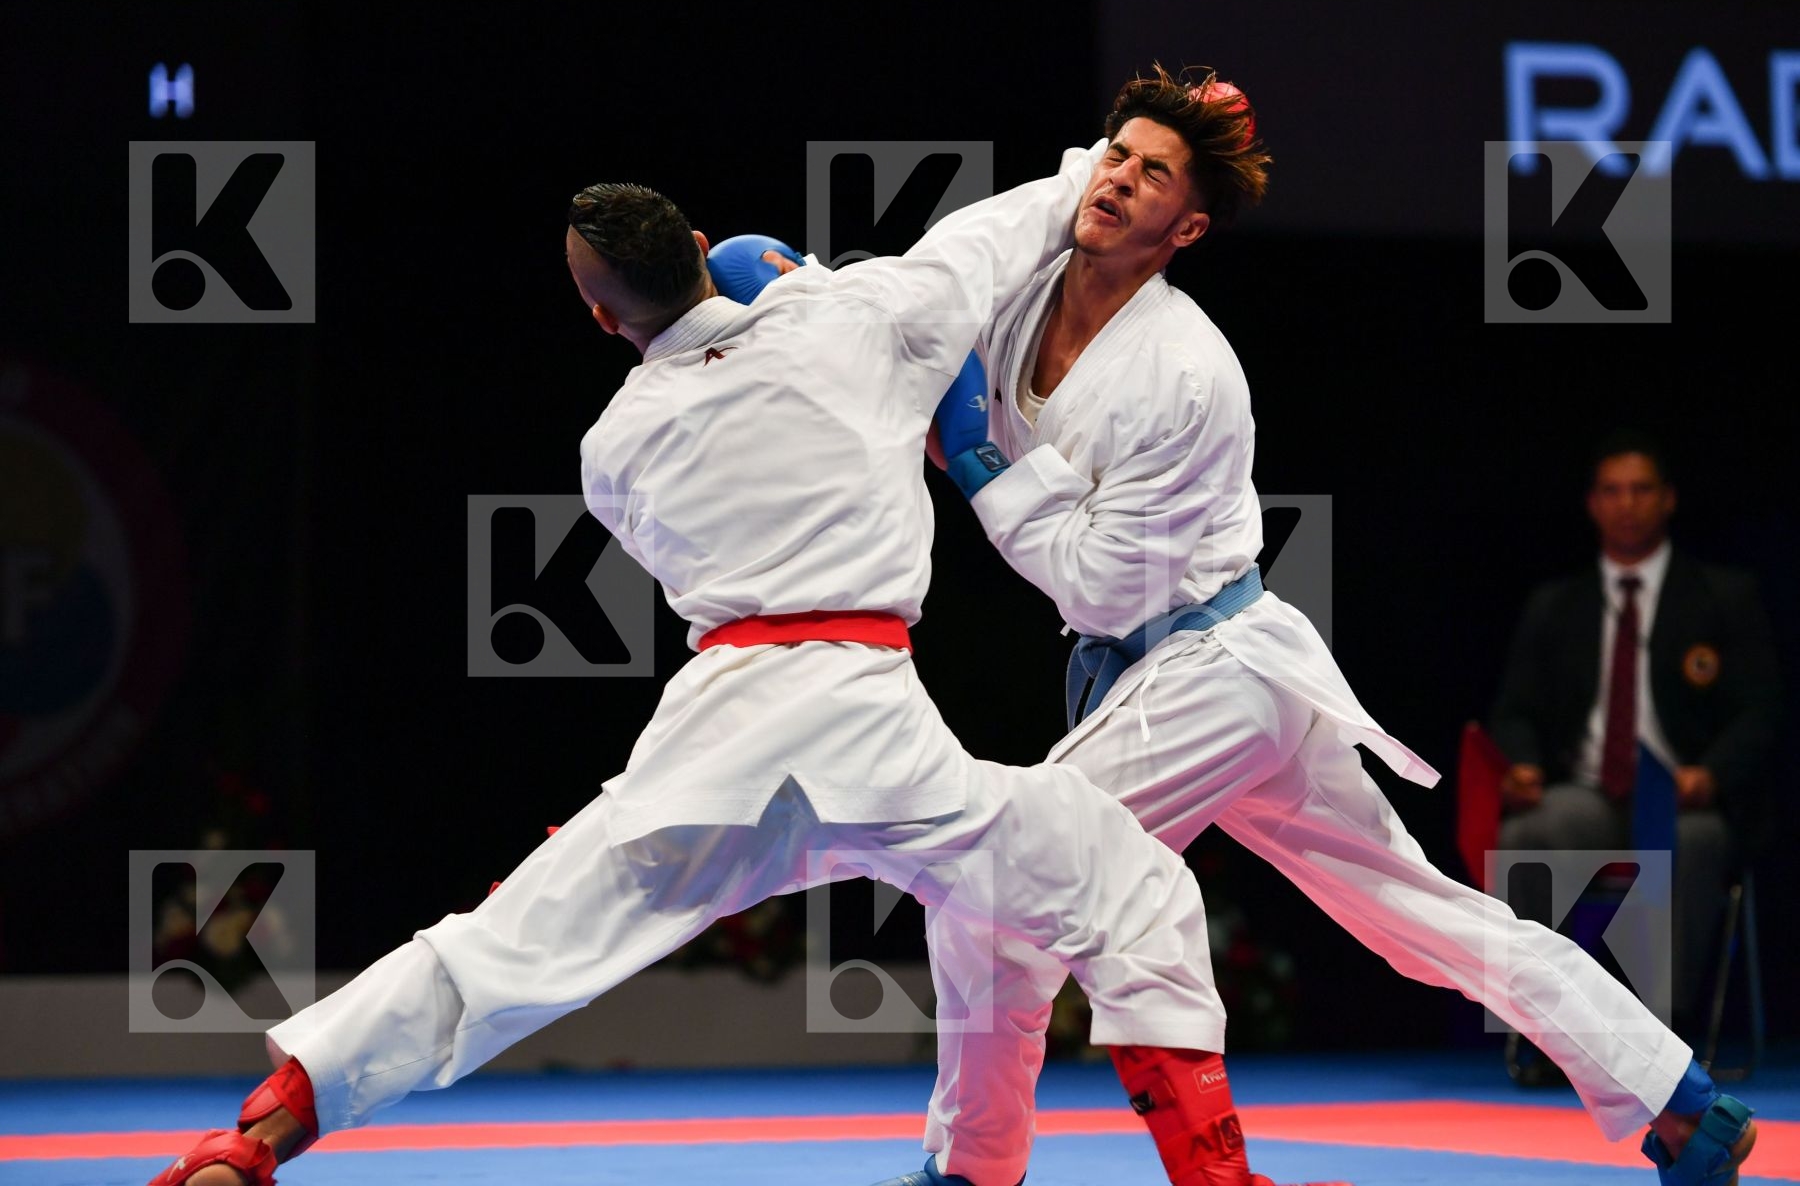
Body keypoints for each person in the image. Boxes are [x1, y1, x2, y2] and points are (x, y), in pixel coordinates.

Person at [710, 63, 1757, 1186]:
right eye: (1115, 155)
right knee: (1420, 919)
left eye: (1154, 173)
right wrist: (815, 299)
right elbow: (928, 297)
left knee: (993, 886)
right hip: (1182, 679)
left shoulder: (1189, 373)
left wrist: (972, 460)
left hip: (1213, 666)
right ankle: (1684, 1104)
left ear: (1188, 225)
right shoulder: (1026, 262)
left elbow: (1099, 588)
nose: (1120, 180)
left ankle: (972, 1167)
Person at [143, 142, 1244, 1186]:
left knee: (504, 950)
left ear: (599, 315)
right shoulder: (853, 319)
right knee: (1128, 884)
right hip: (887, 746)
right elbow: (1005, 235)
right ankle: (1214, 1174)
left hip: (722, 753)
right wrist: (1110, 159)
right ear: (707, 242)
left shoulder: (615, 449)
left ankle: (256, 1138)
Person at [1490, 431, 1781, 1033]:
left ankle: (1660, 1034)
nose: (1627, 504)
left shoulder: (1724, 596)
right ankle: (1543, 1029)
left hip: (1681, 798)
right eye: (1612, 491)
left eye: (1641, 490)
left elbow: (1762, 710)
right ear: (1593, 504)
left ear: (1668, 499)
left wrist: (1713, 774)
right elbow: (1513, 710)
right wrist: (1522, 765)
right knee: (1530, 830)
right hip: (1589, 792)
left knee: (1695, 841)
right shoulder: (1556, 605)